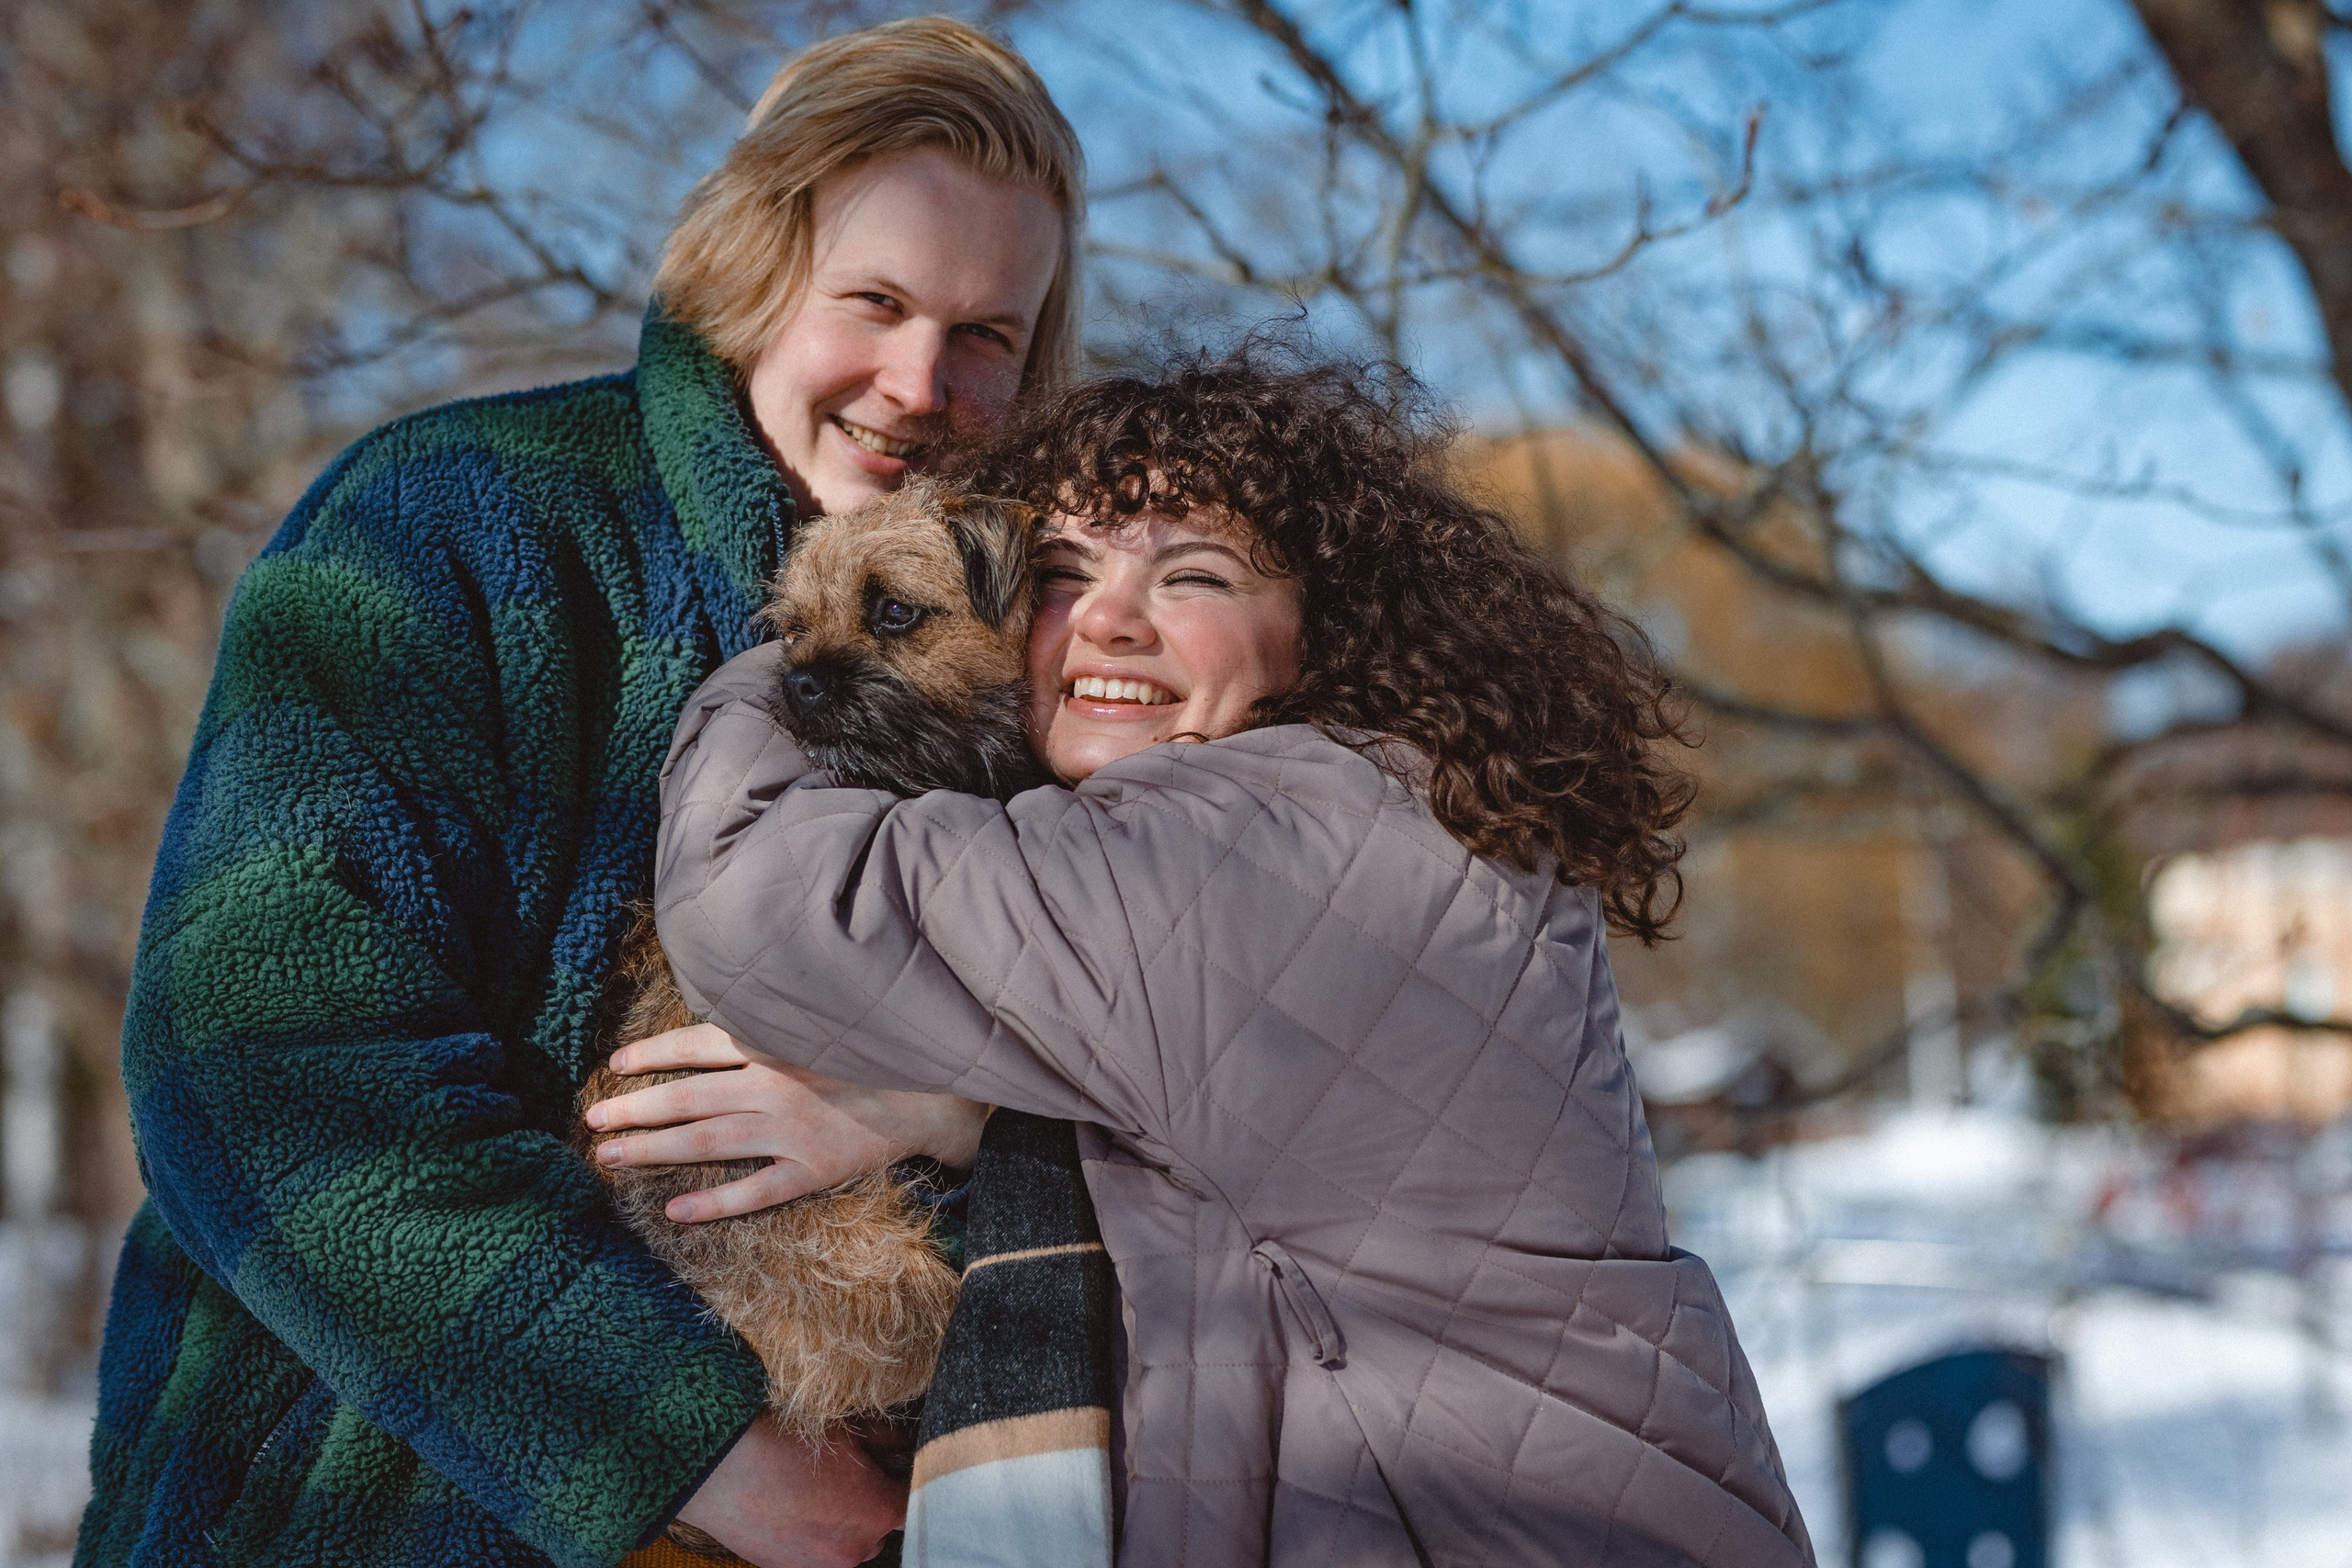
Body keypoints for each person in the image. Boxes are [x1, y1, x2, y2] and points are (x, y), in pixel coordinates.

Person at [80, 20, 1081, 1568]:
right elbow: (260, 1055)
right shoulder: (453, 527)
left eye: (988, 335)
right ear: (760, 272)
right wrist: (687, 1446)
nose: (921, 383)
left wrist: (953, 1115)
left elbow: (1194, 1049)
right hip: (390, 1512)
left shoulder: (1062, 633)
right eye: (874, 302)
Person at [638, 353, 1818, 1566]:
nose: (1105, 615)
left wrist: (794, 660)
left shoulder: (1286, 841)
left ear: (1325, 625)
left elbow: (764, 900)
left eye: (1192, 574)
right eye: (1059, 575)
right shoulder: (1402, 813)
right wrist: (964, 1109)